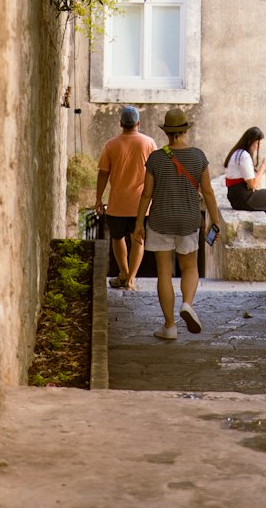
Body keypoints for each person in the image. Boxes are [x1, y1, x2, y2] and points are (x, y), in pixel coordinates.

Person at [132, 108, 222, 341]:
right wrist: (215, 220)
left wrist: (139, 223)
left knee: (164, 272)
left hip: (161, 219)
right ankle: (188, 304)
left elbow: (146, 195)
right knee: (189, 267)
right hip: (189, 220)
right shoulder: (198, 156)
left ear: (167, 132)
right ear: (184, 130)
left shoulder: (156, 158)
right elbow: (209, 192)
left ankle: (170, 326)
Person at [95, 106, 156, 290]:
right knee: (138, 239)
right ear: (138, 123)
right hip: (141, 204)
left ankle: (123, 272)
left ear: (120, 123)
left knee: (117, 237)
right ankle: (131, 279)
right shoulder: (149, 143)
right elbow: (156, 173)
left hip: (118, 204)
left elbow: (103, 174)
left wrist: (98, 199)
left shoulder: (111, 144)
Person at [223, 126, 266, 261]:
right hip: (244, 197)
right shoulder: (244, 156)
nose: (258, 146)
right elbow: (252, 184)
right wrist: (263, 166)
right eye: (257, 143)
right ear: (250, 141)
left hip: (237, 195)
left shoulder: (237, 153)